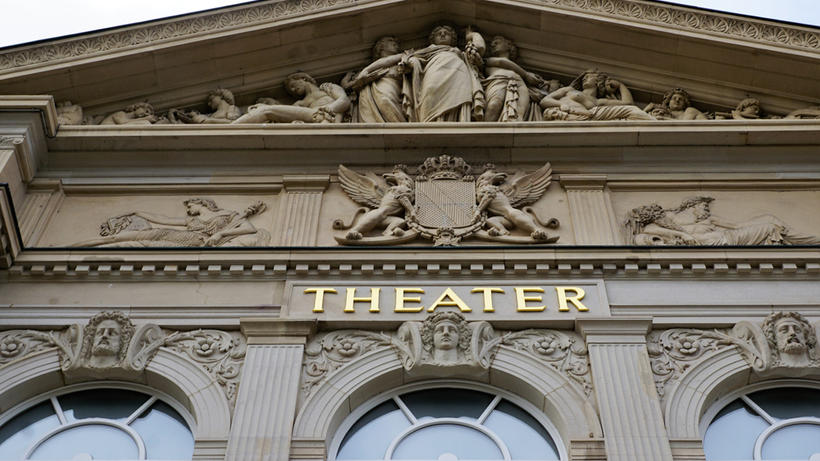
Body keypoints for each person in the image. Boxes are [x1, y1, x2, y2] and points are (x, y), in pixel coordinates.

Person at [73, 198, 270, 247]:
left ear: (201, 203)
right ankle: (80, 247)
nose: (188, 209)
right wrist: (137, 212)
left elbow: (248, 228)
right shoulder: (191, 219)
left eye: (190, 205)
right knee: (124, 237)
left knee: (141, 245)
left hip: (193, 242)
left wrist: (221, 234)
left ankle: (104, 246)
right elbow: (165, 220)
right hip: (173, 234)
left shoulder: (229, 215)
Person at [626, 196, 820, 246]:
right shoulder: (670, 219)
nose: (706, 210)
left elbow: (738, 226)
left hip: (730, 236)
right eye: (704, 206)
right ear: (693, 205)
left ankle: (804, 239)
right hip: (723, 241)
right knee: (769, 227)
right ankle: (809, 240)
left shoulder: (710, 220)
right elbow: (650, 230)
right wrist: (681, 234)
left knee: (769, 222)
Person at [402, 25, 485, 122]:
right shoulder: (427, 51)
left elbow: (480, 47)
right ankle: (429, 125)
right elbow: (410, 58)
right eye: (439, 34)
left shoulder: (460, 53)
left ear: (453, 38)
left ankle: (458, 124)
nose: (442, 35)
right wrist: (411, 62)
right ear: (433, 39)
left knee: (458, 98)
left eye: (447, 33)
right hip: (434, 73)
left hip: (459, 75)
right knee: (429, 92)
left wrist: (472, 35)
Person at [232, 72, 350, 124]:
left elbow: (344, 100)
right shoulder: (300, 103)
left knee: (267, 110)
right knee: (265, 110)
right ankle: (231, 127)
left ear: (303, 79)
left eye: (293, 85)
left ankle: (231, 129)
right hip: (312, 115)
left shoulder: (327, 87)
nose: (293, 90)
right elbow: (284, 113)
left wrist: (327, 109)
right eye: (291, 90)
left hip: (324, 116)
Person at [539, 70, 653, 121]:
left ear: (598, 82)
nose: (584, 78)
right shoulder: (569, 90)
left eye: (589, 76)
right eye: (584, 77)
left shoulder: (598, 102)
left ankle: (653, 123)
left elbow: (628, 104)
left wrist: (620, 85)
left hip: (592, 115)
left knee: (632, 110)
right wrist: (561, 104)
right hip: (563, 115)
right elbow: (545, 100)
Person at [342, 36, 408, 123]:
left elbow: (386, 61)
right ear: (380, 47)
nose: (395, 43)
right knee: (385, 101)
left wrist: (367, 70)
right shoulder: (369, 71)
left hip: (394, 90)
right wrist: (346, 81)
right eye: (390, 41)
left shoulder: (403, 57)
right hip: (381, 92)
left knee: (387, 101)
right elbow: (349, 86)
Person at [482, 36, 545, 122]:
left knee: (518, 115)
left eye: (497, 42)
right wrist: (526, 74)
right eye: (492, 43)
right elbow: (502, 62)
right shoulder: (488, 60)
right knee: (494, 105)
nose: (493, 45)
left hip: (519, 84)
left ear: (509, 45)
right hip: (499, 81)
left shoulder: (517, 71)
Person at [169, 88, 241, 124]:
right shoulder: (211, 115)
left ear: (221, 96)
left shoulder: (232, 108)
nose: (209, 104)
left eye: (211, 99)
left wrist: (209, 120)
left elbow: (233, 122)